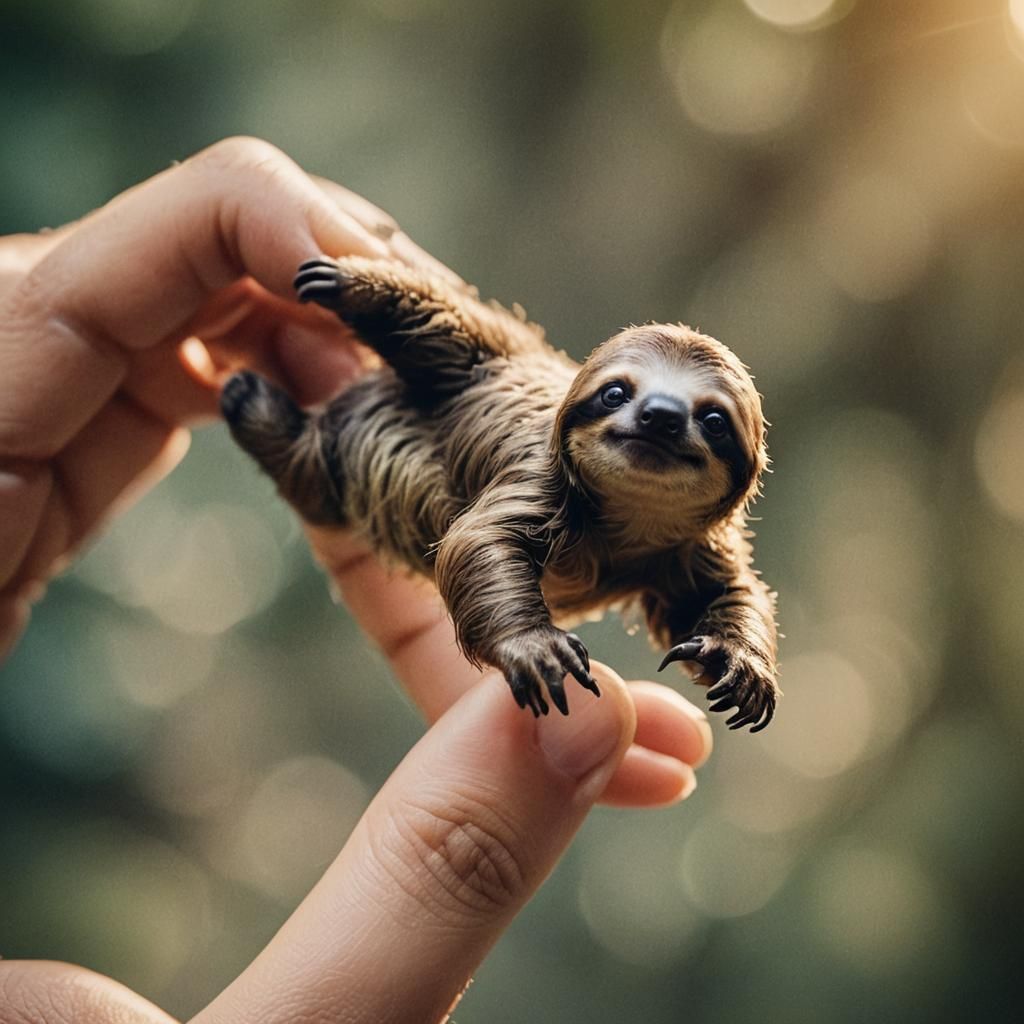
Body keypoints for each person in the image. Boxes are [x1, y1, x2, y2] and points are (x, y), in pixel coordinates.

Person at [0, 138, 713, 1023]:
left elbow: (728, 603)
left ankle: (293, 444)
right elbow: (482, 543)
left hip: (401, 484)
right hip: (402, 427)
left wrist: (733, 647)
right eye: (622, 396)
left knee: (342, 466)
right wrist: (520, 633)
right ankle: (290, 445)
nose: (655, 418)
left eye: (703, 421)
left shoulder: (693, 550)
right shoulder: (541, 483)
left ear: (736, 479)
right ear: (578, 412)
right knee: (400, 380)